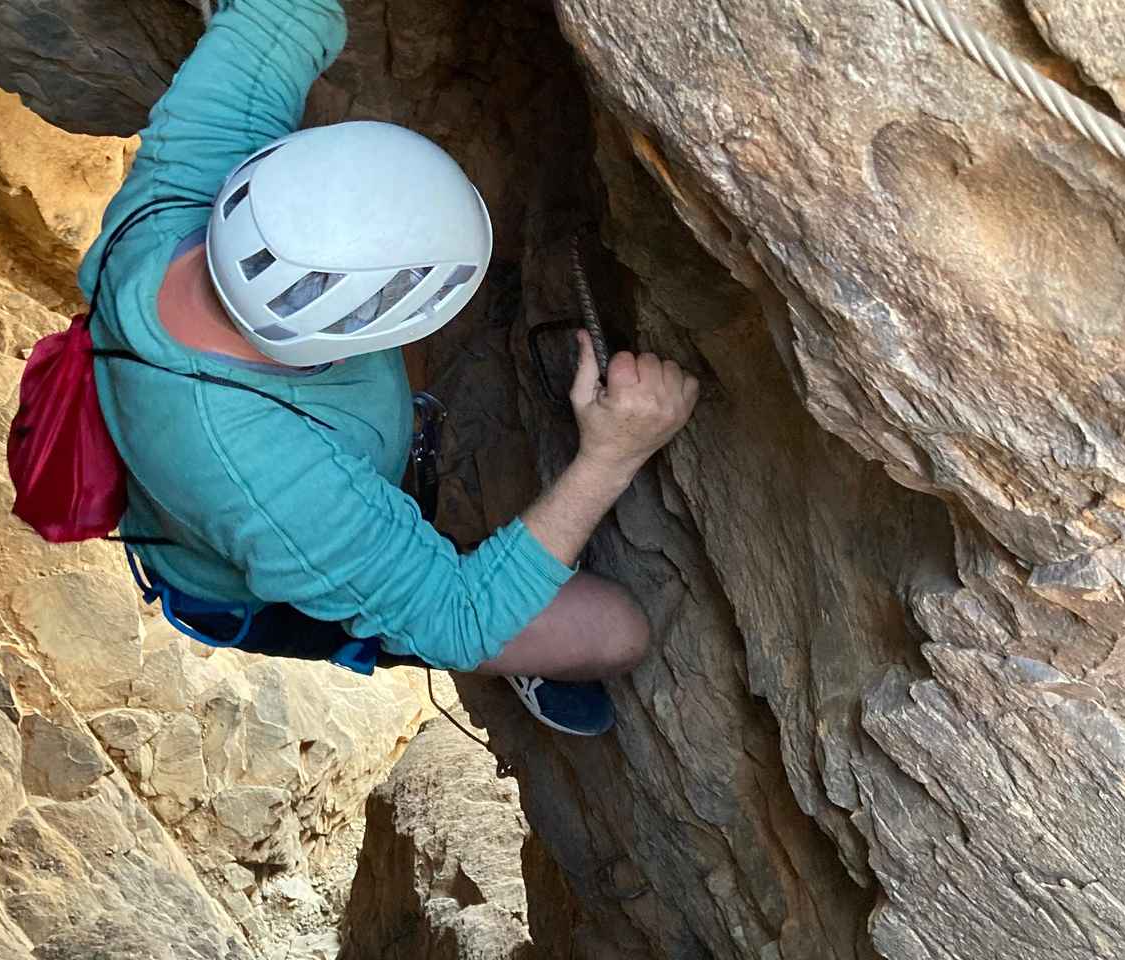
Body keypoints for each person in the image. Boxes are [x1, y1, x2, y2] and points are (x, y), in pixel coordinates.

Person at [81, 0, 699, 736]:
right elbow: (458, 617)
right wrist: (609, 455)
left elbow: (278, 16)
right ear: (339, 346)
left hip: (261, 468)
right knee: (615, 630)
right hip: (247, 583)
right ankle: (495, 655)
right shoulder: (265, 480)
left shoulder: (182, 185)